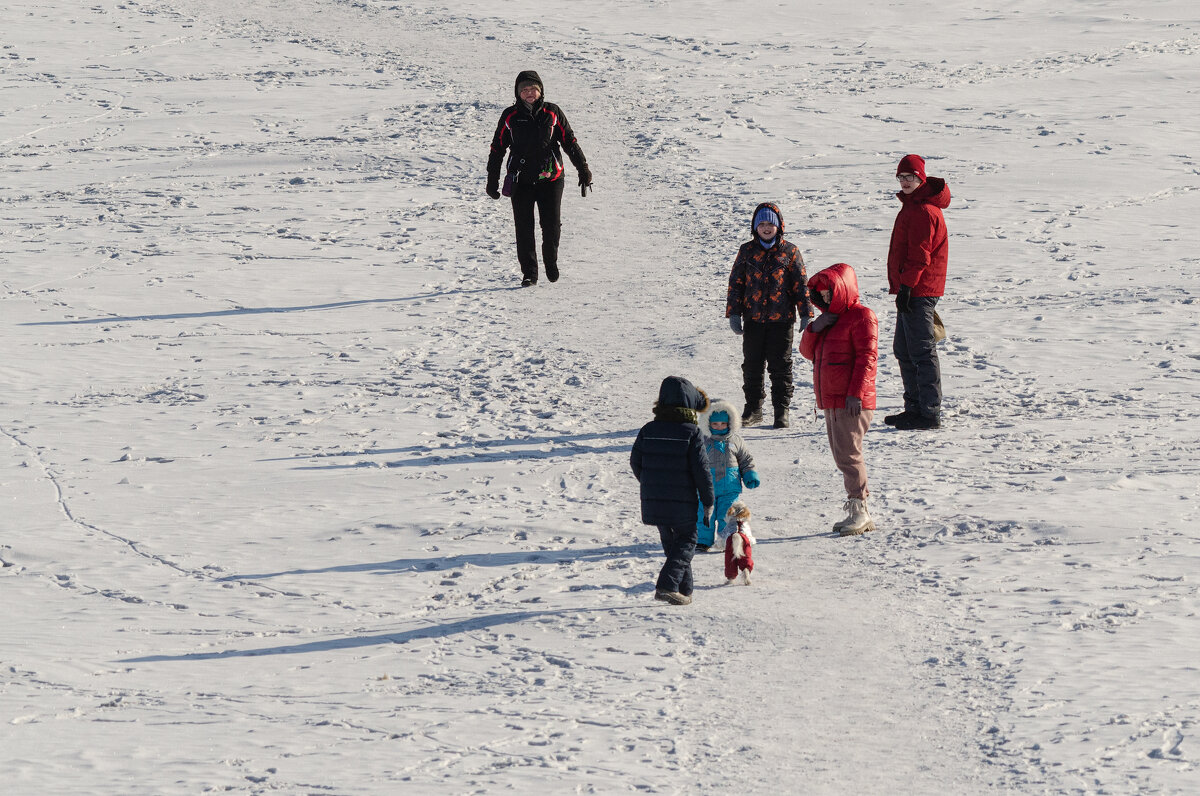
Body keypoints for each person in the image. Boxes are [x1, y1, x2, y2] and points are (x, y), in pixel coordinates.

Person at [486, 70, 592, 287]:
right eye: (524, 90)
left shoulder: (552, 113)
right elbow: (497, 148)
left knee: (551, 225)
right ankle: (529, 273)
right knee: (524, 228)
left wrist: (583, 169)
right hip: (521, 180)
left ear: (540, 90)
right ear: (518, 94)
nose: (529, 93)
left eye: (532, 88)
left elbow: (569, 142)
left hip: (551, 178)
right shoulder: (510, 116)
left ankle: (550, 261)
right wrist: (492, 180)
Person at [799, 263, 879, 536]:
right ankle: (857, 509)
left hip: (850, 400)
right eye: (819, 295)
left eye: (828, 293)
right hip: (833, 400)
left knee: (849, 455)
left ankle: (861, 512)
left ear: (842, 290)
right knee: (842, 456)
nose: (823, 299)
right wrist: (814, 328)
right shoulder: (829, 321)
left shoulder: (862, 316)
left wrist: (856, 393)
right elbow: (807, 353)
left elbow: (868, 359)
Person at [725, 202, 812, 428]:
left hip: (782, 321)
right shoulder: (746, 251)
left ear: (778, 226)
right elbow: (736, 283)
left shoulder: (790, 252)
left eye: (770, 224)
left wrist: (805, 312)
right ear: (755, 227)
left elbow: (801, 285)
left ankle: (781, 411)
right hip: (753, 319)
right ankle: (753, 409)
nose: (765, 228)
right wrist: (734, 313)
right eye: (761, 223)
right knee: (752, 365)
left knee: (780, 366)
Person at [630, 376, 715, 606]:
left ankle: (684, 591)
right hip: (683, 503)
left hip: (655, 501)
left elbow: (635, 462)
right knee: (687, 540)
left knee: (673, 545)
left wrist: (651, 484)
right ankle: (667, 585)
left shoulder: (648, 430)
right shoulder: (691, 432)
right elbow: (702, 470)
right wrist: (708, 500)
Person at [886, 154, 950, 430]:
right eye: (901, 177)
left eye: (910, 177)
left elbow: (920, 256)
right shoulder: (913, 207)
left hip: (919, 290)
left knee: (922, 351)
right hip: (911, 289)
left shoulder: (923, 211)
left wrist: (908, 286)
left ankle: (928, 412)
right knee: (903, 348)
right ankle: (913, 407)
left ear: (921, 178)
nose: (905, 182)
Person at [695, 398, 760, 551]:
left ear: (730, 423)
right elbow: (693, 461)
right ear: (707, 423)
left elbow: (745, 459)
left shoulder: (735, 440)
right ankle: (703, 541)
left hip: (730, 488)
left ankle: (726, 540)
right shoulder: (701, 441)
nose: (719, 427)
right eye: (715, 424)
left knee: (727, 515)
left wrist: (750, 474)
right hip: (705, 488)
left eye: (723, 424)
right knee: (704, 516)